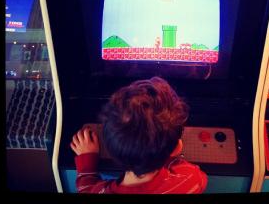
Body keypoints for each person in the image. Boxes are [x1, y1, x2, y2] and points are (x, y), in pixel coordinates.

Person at [70, 76, 208, 194]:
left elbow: (86, 189)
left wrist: (87, 164)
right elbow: (201, 178)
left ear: (110, 149)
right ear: (177, 148)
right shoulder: (190, 180)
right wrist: (168, 155)